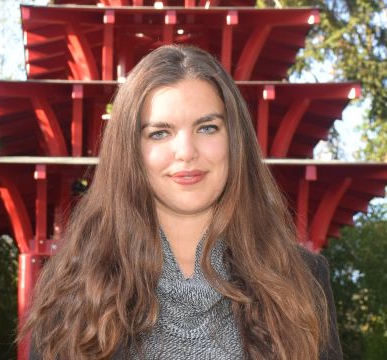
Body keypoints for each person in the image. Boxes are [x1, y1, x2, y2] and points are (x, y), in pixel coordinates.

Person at [21, 44, 342, 359]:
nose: (186, 151)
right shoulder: (75, 285)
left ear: (235, 140)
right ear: (130, 149)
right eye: (160, 132)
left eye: (207, 127)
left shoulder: (300, 278)